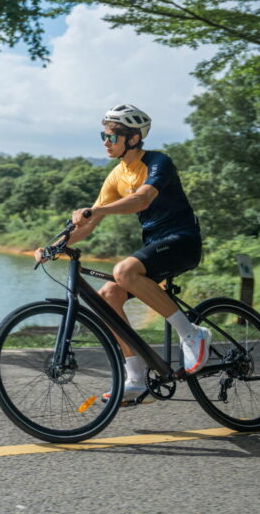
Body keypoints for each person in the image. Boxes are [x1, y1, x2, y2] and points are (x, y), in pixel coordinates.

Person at [34, 103, 209, 404]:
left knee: (124, 271)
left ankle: (192, 334)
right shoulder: (117, 175)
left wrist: (96, 209)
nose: (105, 142)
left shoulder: (157, 162)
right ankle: (137, 379)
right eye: (103, 136)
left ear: (134, 138)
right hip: (155, 245)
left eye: (111, 137)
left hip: (182, 241)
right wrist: (56, 246)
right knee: (108, 296)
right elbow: (89, 223)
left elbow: (141, 200)